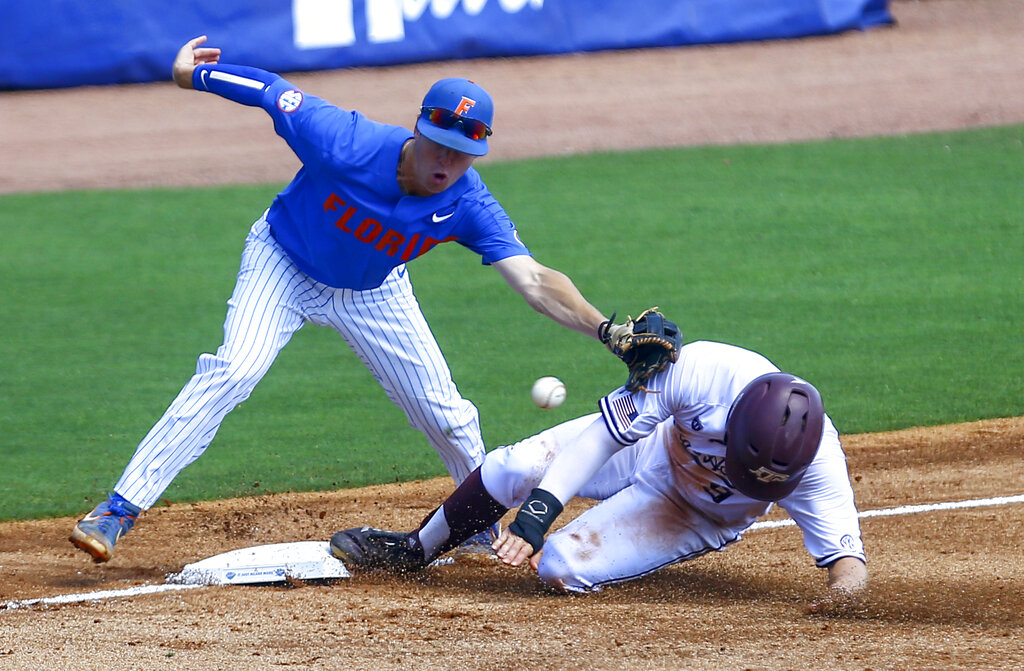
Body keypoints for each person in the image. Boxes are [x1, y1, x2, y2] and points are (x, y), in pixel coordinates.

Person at [70, 36, 628, 563]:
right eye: (440, 146)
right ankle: (118, 510)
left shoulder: (468, 203)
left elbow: (533, 280)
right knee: (234, 370)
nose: (446, 164)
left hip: (374, 291)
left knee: (449, 416)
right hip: (282, 264)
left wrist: (608, 331)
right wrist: (193, 75)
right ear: (420, 129)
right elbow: (271, 91)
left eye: (463, 155)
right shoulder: (345, 139)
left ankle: (476, 524)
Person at [329, 340, 869, 600]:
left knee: (561, 567)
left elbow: (849, 564)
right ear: (735, 423)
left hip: (692, 513)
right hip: (653, 447)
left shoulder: (816, 459)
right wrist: (536, 514)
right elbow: (603, 438)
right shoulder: (702, 371)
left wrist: (845, 601)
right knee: (514, 464)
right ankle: (415, 549)